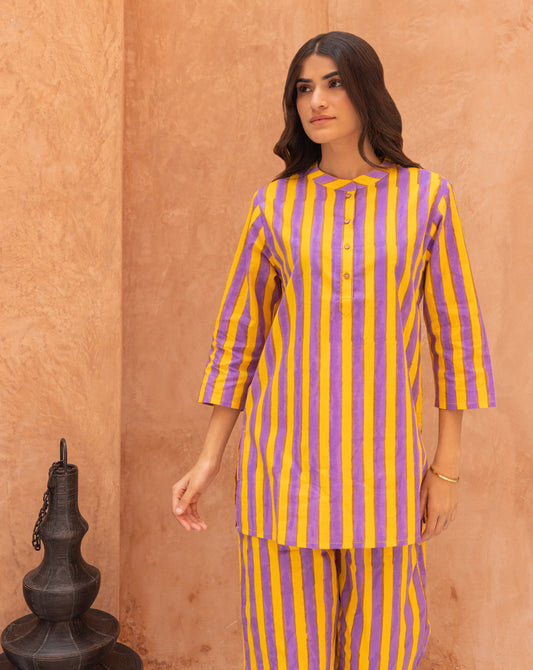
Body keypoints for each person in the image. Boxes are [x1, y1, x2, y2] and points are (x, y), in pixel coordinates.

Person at [172, 31, 495, 670]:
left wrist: (446, 468)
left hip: (385, 473)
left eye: (334, 83)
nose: (316, 101)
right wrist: (208, 459)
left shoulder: (426, 198)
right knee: (285, 650)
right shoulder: (274, 205)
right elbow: (239, 339)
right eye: (304, 88)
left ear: (366, 90)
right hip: (283, 471)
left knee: (388, 648)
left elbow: (455, 338)